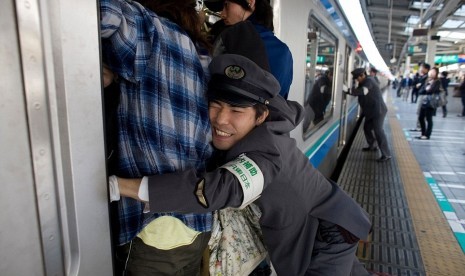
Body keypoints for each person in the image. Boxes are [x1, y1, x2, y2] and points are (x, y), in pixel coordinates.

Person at [110, 54, 372, 276]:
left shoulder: (265, 155)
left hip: (325, 234)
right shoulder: (265, 123)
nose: (221, 119)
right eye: (215, 105)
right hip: (329, 219)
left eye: (236, 111)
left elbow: (219, 189)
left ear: (261, 116)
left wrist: (122, 186)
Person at [100, 0, 214, 274]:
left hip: (154, 227)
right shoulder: (203, 57)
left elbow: (96, 12)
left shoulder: (146, 28)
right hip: (198, 225)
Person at [217, 0, 293, 99]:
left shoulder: (230, 43)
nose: (222, 14)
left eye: (226, 5)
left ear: (250, 2)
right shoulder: (284, 51)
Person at [347, 68, 392, 162]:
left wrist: (348, 90)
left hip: (378, 111)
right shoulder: (363, 82)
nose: (357, 80)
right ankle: (373, 146)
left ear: (362, 75)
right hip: (371, 111)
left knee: (378, 131)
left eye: (357, 78)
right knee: (367, 128)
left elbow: (363, 91)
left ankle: (386, 154)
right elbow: (358, 92)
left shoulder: (369, 80)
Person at [416, 67, 441, 140]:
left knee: (429, 119)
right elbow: (422, 91)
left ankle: (427, 135)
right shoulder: (427, 80)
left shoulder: (437, 81)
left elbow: (432, 90)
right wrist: (427, 88)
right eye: (431, 71)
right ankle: (423, 133)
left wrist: (427, 88)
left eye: (434, 72)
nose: (432, 73)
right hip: (424, 101)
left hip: (431, 103)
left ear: (436, 73)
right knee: (421, 117)